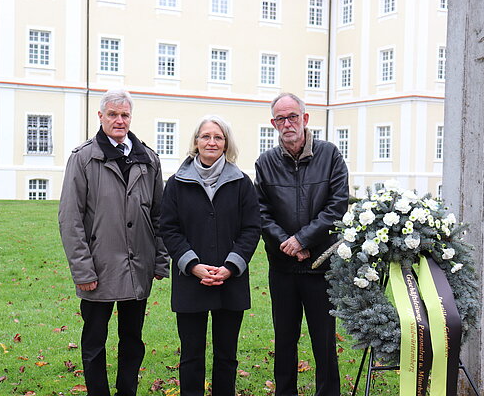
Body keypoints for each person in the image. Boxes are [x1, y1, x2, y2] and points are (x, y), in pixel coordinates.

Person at [58, 89, 169, 396]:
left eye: (124, 115)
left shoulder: (148, 158)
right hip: (99, 267)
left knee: (132, 339)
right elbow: (70, 219)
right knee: (95, 340)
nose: (119, 121)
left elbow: (159, 215)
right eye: (113, 114)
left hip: (138, 266)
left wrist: (159, 260)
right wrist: (83, 271)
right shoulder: (83, 159)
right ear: (101, 116)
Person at [254, 93, 349, 396]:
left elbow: (336, 206)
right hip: (283, 268)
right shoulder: (265, 162)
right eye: (280, 118)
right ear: (273, 124)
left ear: (305, 119)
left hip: (321, 265)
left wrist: (303, 239)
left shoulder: (330, 155)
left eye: (292, 116)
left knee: (324, 340)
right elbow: (260, 212)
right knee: (284, 339)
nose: (287, 123)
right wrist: (287, 243)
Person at [160, 115, 261, 396]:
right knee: (191, 356)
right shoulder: (177, 183)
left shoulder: (241, 183)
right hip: (191, 280)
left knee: (226, 356)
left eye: (218, 137)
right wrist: (192, 265)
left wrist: (231, 266)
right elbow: (168, 228)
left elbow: (252, 229)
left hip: (230, 281)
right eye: (206, 136)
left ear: (226, 143)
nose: (211, 142)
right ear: (196, 142)